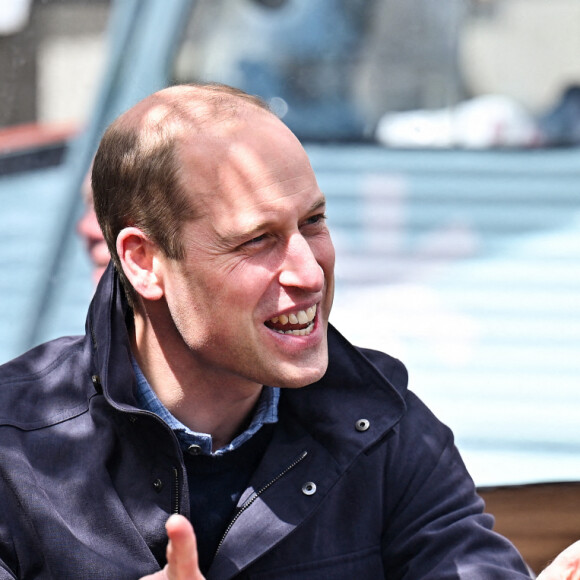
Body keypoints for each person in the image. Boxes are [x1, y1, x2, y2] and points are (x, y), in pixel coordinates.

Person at [0, 82, 572, 579]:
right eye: (257, 240)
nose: (308, 272)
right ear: (145, 261)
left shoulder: (382, 427)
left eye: (314, 222)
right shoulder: (15, 449)